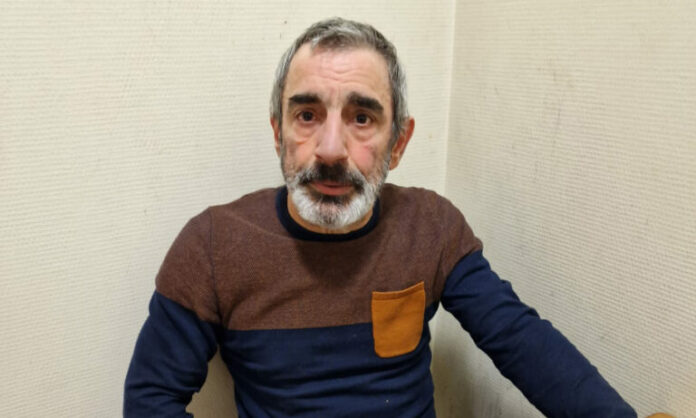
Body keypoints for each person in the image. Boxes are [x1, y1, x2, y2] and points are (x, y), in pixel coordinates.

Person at [124, 17, 636, 417]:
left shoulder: (431, 228)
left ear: (399, 142)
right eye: (307, 115)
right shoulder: (214, 245)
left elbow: (521, 341)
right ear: (279, 132)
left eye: (362, 117)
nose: (330, 149)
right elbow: (151, 400)